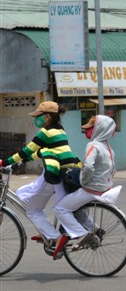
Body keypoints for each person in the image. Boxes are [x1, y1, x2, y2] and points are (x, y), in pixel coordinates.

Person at [1, 101, 81, 256]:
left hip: (54, 174)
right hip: (65, 171)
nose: (35, 119)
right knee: (35, 204)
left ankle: (56, 238)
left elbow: (26, 150)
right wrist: (21, 162)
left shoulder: (45, 132)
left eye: (38, 116)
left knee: (33, 210)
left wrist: (4, 162)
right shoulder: (59, 130)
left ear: (47, 117)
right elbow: (41, 152)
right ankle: (46, 232)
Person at [53, 115, 122, 248]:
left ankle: (82, 233)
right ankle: (95, 229)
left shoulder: (93, 145)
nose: (87, 131)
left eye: (90, 128)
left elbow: (88, 166)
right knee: (76, 206)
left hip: (91, 189)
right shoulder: (109, 149)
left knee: (60, 208)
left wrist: (83, 181)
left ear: (99, 129)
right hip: (105, 188)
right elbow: (113, 170)